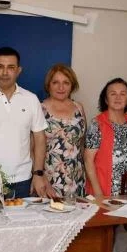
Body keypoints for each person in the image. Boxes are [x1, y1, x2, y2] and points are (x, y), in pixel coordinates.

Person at [0, 47, 52, 198]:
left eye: (11, 67)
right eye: (0, 67)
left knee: (26, 222)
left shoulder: (31, 99)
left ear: (19, 70)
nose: (5, 72)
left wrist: (38, 173)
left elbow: (40, 139)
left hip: (24, 181)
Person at [84, 78, 127, 252]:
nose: (118, 97)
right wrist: (99, 194)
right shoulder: (97, 122)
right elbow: (88, 159)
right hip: (104, 190)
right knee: (105, 233)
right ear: (105, 98)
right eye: (113, 93)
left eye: (122, 93)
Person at [41, 64, 86, 197]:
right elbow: (32, 149)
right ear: (49, 85)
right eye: (56, 82)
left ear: (72, 85)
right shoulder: (40, 109)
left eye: (66, 82)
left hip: (76, 179)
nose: (61, 87)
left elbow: (82, 144)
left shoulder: (79, 107)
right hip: (50, 179)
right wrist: (40, 177)